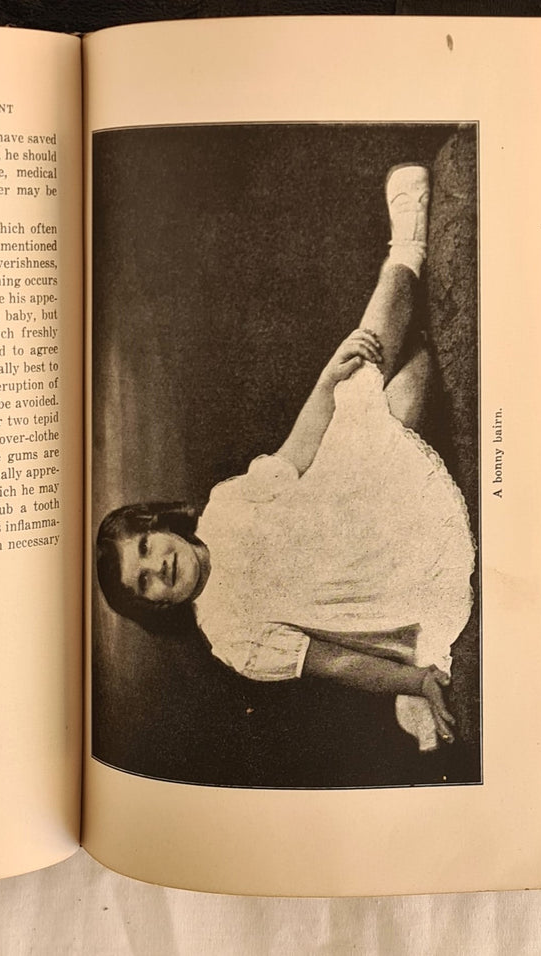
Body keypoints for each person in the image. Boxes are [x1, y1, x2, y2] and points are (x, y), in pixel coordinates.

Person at [95, 165, 475, 751]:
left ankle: (407, 247)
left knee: (379, 370)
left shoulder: (223, 507)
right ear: (156, 606)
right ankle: (409, 294)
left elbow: (297, 454)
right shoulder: (229, 639)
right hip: (373, 578)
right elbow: (331, 661)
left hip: (351, 494)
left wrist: (328, 378)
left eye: (146, 548)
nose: (159, 567)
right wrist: (414, 679)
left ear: (160, 527)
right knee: (414, 367)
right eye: (144, 583)